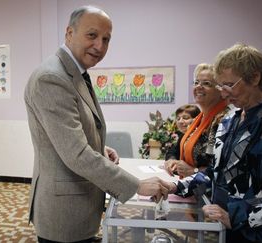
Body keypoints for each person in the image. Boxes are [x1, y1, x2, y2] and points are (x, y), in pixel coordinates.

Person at [24, 6, 170, 243]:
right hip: (64, 212)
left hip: (79, 204)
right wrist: (137, 186)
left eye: (106, 39)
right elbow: (76, 154)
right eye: (92, 35)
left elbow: (70, 135)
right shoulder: (52, 78)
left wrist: (99, 148)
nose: (100, 46)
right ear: (69, 33)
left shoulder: (74, 72)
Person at [167, 43, 262, 242]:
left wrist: (238, 216)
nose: (224, 93)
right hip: (227, 230)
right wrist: (175, 187)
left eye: (229, 85)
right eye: (220, 85)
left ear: (255, 78)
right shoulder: (229, 119)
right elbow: (215, 173)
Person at [164, 64, 229, 178]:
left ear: (220, 90)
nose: (199, 86)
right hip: (192, 188)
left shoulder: (224, 121)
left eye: (206, 83)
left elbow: (225, 168)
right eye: (196, 82)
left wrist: (194, 171)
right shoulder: (197, 120)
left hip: (211, 193)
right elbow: (178, 148)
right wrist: (172, 161)